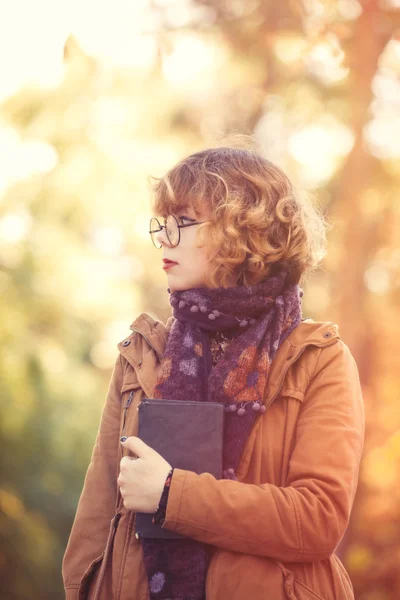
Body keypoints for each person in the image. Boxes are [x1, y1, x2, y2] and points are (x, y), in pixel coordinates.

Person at [62, 140, 365, 600]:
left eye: (183, 222)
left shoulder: (319, 359)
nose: (164, 238)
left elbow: (318, 519)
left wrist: (170, 495)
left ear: (248, 230)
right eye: (162, 224)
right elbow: (95, 520)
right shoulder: (143, 353)